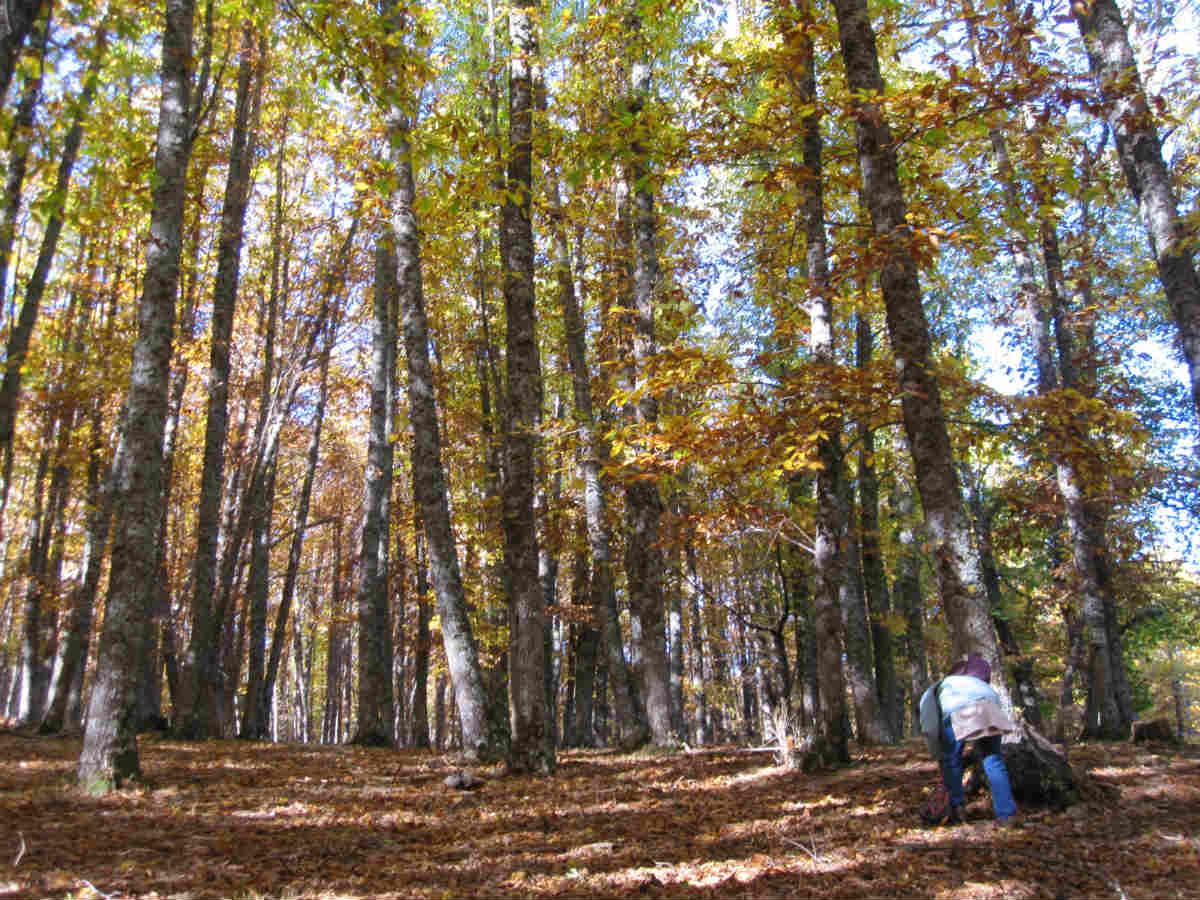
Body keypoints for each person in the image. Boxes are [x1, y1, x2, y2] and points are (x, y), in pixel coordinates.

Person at [919, 653, 1019, 826]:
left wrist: (938, 755)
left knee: (951, 760)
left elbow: (928, 727)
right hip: (990, 705)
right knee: (993, 759)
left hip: (957, 708)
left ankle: (957, 810)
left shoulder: (935, 689)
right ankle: (1007, 814)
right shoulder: (982, 684)